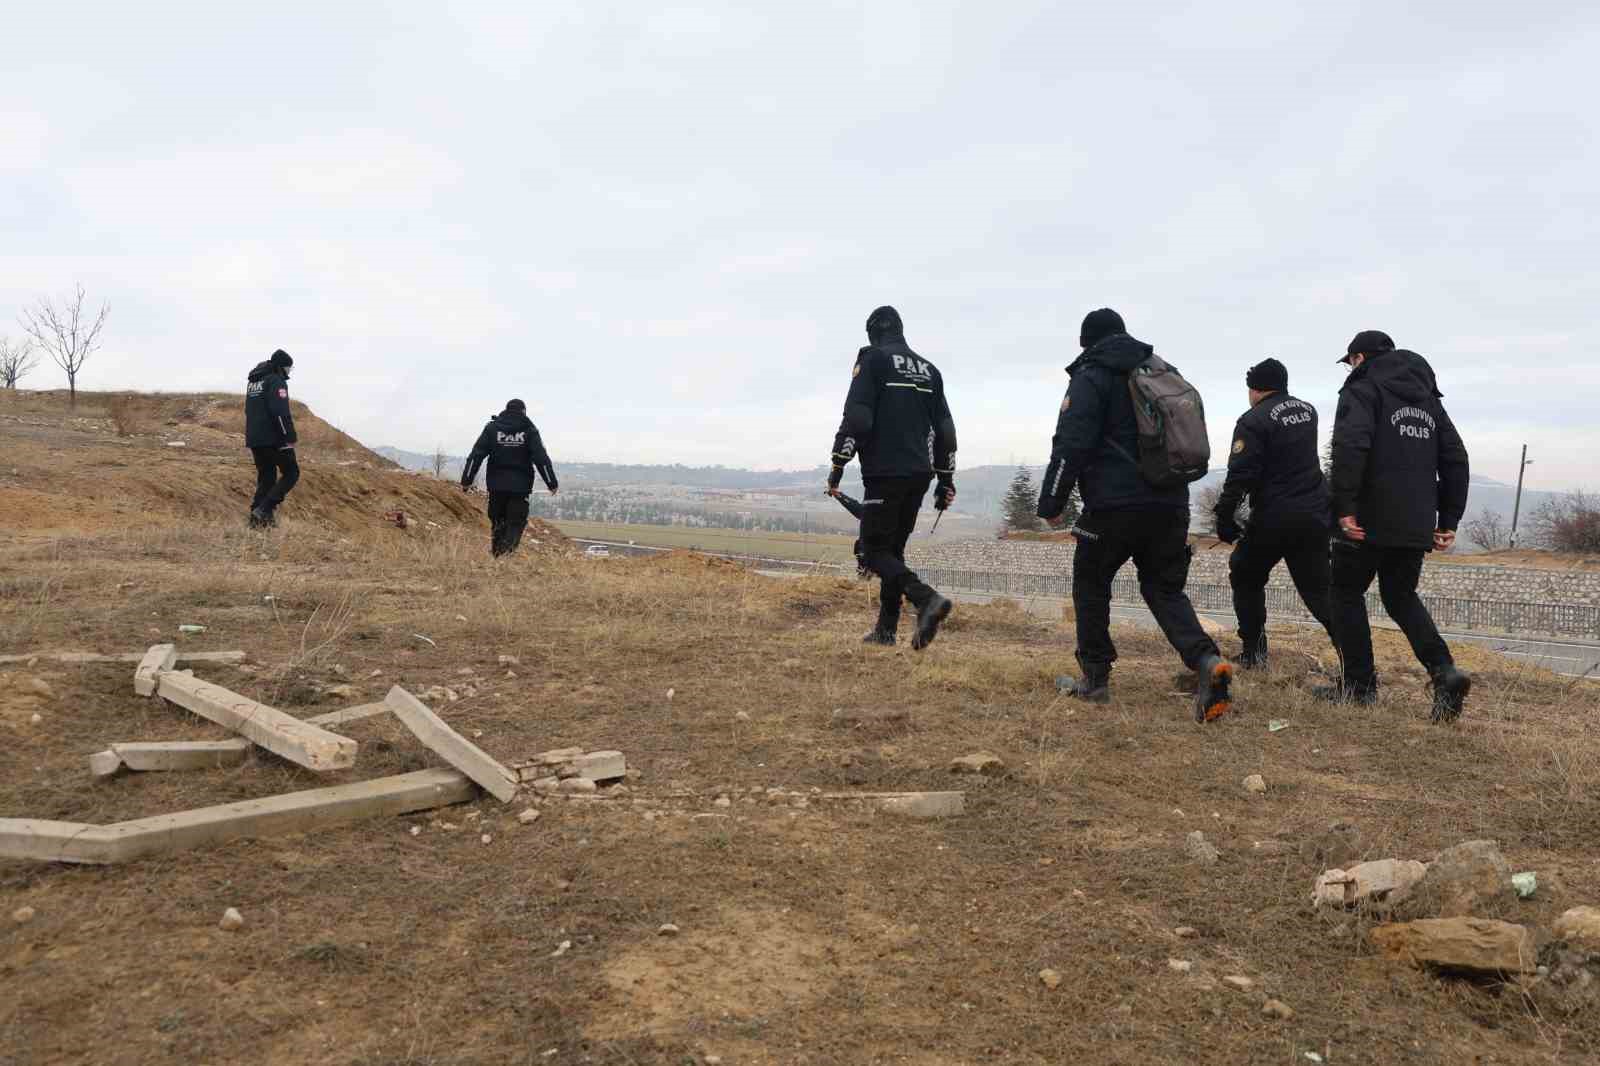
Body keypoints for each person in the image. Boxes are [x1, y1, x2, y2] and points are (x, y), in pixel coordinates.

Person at [1037, 308, 1234, 722]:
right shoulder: (1162, 370)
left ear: (1087, 342)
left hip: (1113, 507)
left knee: (1091, 584)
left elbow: (1070, 443)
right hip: (1170, 503)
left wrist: (1051, 504)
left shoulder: (1091, 375)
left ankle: (1095, 679)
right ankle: (1205, 662)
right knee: (1164, 589)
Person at [1323, 330, 1472, 720]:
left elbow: (1351, 445)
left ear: (1359, 357)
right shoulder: (1429, 401)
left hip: (1368, 518)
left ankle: (1358, 686)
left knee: (1344, 592)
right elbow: (1456, 459)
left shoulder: (1363, 388)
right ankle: (1445, 672)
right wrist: (1448, 518)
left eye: (1351, 360)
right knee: (1401, 597)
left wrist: (1344, 507)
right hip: (1415, 522)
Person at [826, 305, 955, 649]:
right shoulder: (930, 371)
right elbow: (945, 429)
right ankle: (886, 629)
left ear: (873, 333)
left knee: (871, 551)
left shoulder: (874, 362)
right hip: (920, 475)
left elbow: (858, 419)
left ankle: (925, 598)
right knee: (893, 552)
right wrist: (946, 479)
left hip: (885, 472)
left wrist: (838, 463)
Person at [1213, 357, 1336, 667]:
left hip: (1275, 517)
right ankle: (1357, 664)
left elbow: (1240, 474)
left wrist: (1224, 517)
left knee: (1245, 573)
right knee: (1320, 592)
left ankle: (1254, 652)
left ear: (1255, 389)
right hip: (1315, 513)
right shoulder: (1308, 411)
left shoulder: (1253, 420)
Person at [460, 399, 558, 557]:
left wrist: (466, 480)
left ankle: (498, 555)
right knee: (515, 522)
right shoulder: (529, 430)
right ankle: (505, 556)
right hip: (520, 489)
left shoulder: (492, 428)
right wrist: (551, 482)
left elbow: (476, 455)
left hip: (496, 487)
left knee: (497, 522)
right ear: (524, 412)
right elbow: (541, 458)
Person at [244, 348, 299, 528]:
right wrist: (288, 436)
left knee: (267, 477)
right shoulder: (276, 381)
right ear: (282, 367)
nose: (289, 372)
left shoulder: (254, 382)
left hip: (255, 437)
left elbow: (249, 411)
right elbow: (280, 412)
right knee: (291, 473)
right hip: (274, 438)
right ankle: (265, 509)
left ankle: (257, 519)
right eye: (289, 369)